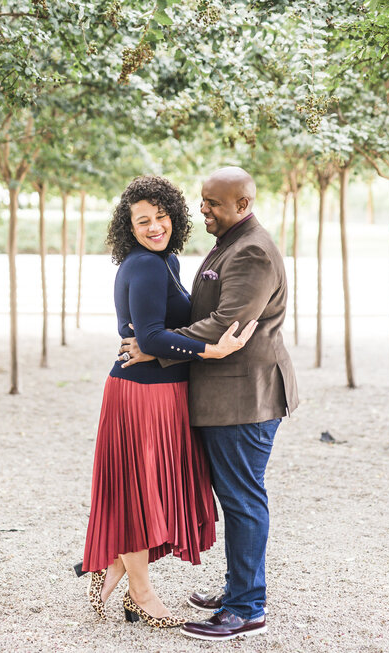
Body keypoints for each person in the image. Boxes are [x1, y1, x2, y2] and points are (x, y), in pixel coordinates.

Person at [120, 166, 299, 641]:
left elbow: (227, 325)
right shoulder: (229, 243)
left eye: (213, 203)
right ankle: (239, 589)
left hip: (246, 398)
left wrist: (155, 343)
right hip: (225, 396)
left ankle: (247, 608)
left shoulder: (253, 252)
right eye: (201, 200)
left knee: (242, 500)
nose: (202, 209)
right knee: (237, 497)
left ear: (243, 205)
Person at [80, 175, 258, 629]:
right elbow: (152, 333)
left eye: (161, 216)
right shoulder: (143, 266)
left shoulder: (167, 262)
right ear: (129, 227)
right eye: (143, 220)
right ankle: (140, 593)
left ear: (174, 217)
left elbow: (154, 335)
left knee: (149, 488)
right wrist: (211, 350)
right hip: (141, 395)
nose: (154, 226)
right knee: (140, 491)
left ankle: (117, 568)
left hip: (163, 392)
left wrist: (157, 345)